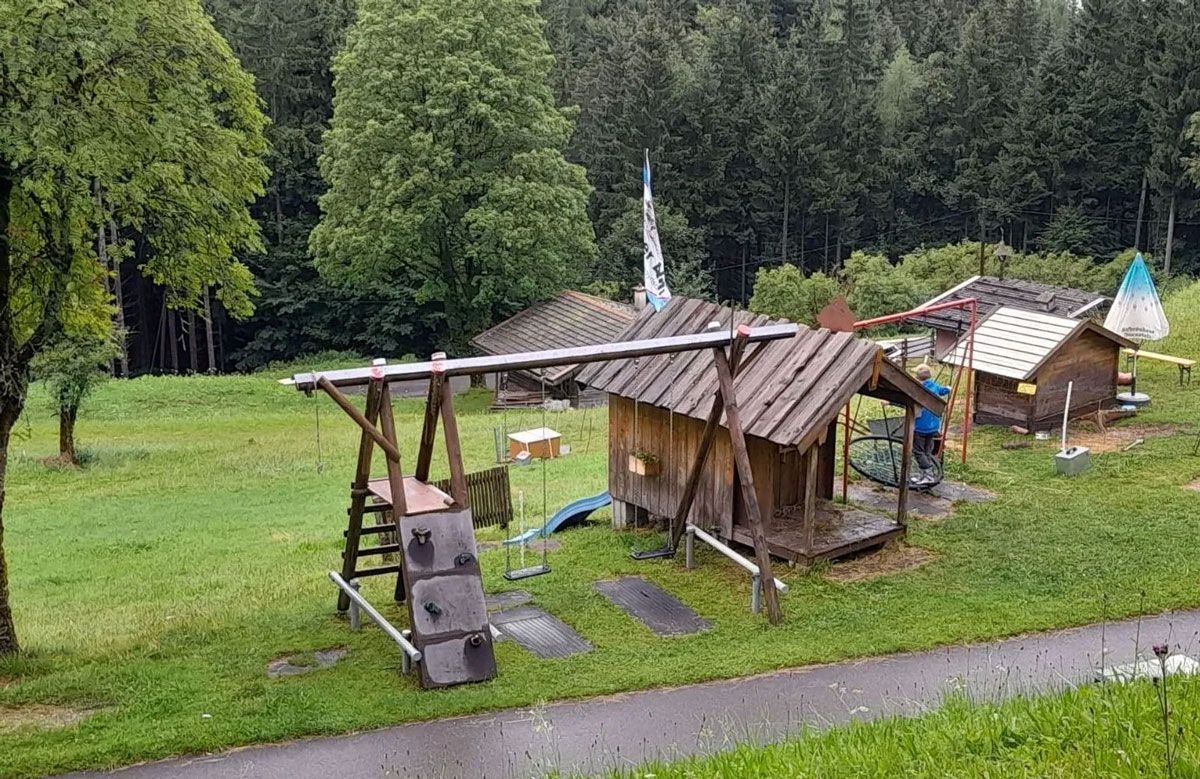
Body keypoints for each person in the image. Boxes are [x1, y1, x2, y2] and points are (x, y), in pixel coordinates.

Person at [912, 364, 950, 486]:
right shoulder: (934, 385)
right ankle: (925, 475)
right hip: (933, 426)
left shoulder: (919, 390)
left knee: (918, 451)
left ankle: (928, 473)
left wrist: (890, 403)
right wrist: (948, 388)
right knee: (927, 451)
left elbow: (908, 402)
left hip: (921, 426)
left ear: (918, 378)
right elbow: (943, 391)